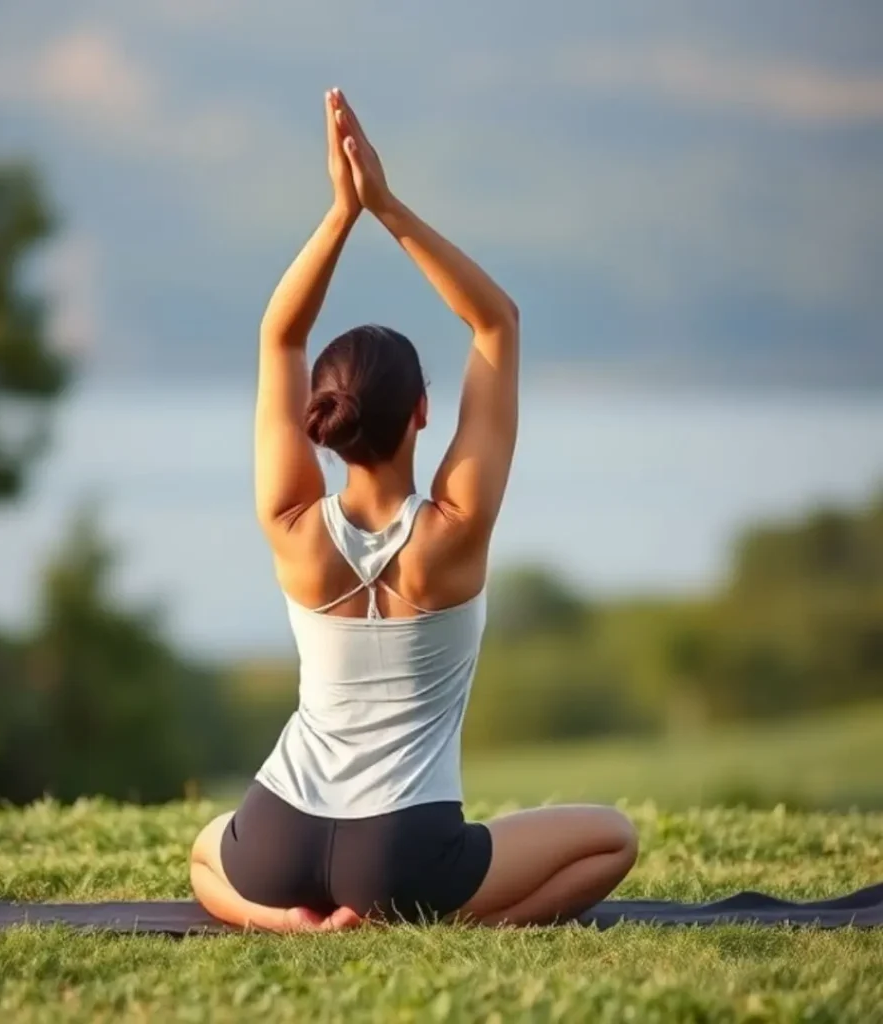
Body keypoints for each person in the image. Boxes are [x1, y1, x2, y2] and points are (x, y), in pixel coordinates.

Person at [190, 88, 637, 932]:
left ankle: (295, 923)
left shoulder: (292, 525)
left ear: (322, 425)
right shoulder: (452, 535)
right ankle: (436, 922)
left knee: (208, 849)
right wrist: (386, 207)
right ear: (423, 414)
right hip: (402, 851)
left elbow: (278, 338)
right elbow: (496, 324)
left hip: (280, 828)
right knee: (614, 839)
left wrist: (338, 216)